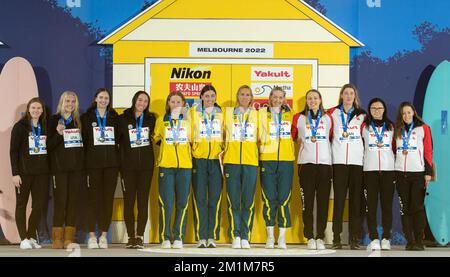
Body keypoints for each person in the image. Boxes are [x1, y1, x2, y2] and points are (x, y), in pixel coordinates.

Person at [292, 89, 332, 250]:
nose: (312, 101)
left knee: (323, 202)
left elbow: (331, 138)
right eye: (309, 98)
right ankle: (309, 236)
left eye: (315, 98)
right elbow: (293, 137)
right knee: (307, 202)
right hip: (306, 165)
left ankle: (320, 237)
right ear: (306, 101)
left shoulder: (328, 118)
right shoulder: (299, 118)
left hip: (324, 165)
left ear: (320, 100)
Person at [327, 84, 366, 249]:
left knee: (356, 202)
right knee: (339, 201)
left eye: (352, 93)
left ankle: (354, 238)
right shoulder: (331, 113)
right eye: (346, 93)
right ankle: (337, 237)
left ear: (355, 96)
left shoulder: (363, 115)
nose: (349, 96)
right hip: (339, 163)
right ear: (341, 95)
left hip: (357, 163)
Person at [81, 88, 120, 249]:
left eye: (106, 98)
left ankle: (103, 235)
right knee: (92, 200)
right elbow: (83, 141)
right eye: (101, 97)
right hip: (93, 165)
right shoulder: (86, 117)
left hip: (111, 165)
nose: (104, 100)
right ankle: (91, 236)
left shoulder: (114, 117)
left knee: (107, 200)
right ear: (95, 99)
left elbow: (120, 140)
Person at [10, 97, 49, 249]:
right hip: (23, 174)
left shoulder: (44, 125)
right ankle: (23, 238)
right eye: (33, 108)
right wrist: (15, 173)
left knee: (38, 205)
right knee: (21, 204)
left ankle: (31, 235)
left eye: (39, 108)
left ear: (42, 110)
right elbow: (13, 152)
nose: (36, 111)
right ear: (28, 109)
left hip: (41, 173)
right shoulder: (20, 127)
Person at [154, 92, 192, 249]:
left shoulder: (189, 121)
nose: (176, 104)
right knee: (166, 203)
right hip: (166, 167)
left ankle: (179, 237)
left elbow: (193, 139)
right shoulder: (161, 120)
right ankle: (165, 237)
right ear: (168, 103)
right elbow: (156, 138)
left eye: (179, 101)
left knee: (182, 203)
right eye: (172, 101)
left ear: (183, 104)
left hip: (185, 166)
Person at [118, 91, 156, 249]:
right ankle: (130, 236)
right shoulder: (122, 118)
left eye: (145, 101)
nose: (142, 103)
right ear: (134, 100)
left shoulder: (151, 119)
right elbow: (118, 142)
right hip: (127, 168)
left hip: (146, 168)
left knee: (142, 202)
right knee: (128, 202)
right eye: (140, 100)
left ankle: (139, 236)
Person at [259, 87, 295, 249]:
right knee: (268, 198)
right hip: (267, 159)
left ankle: (282, 237)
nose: (277, 100)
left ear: (284, 99)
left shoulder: (291, 114)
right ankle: (270, 237)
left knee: (284, 198)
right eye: (275, 97)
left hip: (286, 160)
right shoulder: (260, 114)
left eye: (281, 97)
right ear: (270, 97)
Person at [394, 102, 433, 251]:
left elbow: (428, 151)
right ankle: (409, 240)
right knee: (405, 208)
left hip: (417, 174)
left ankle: (418, 240)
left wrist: (428, 172)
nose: (406, 116)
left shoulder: (423, 128)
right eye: (403, 113)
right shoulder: (397, 129)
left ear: (414, 112)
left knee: (417, 207)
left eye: (409, 112)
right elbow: (393, 150)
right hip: (400, 174)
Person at [47, 91, 84, 249]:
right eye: (67, 101)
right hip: (59, 169)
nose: (70, 104)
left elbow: (84, 146)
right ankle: (57, 238)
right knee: (60, 202)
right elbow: (47, 146)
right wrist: (58, 133)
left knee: (72, 202)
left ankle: (69, 238)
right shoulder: (53, 120)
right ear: (62, 102)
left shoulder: (78, 121)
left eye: (73, 101)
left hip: (76, 170)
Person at [223, 85, 259, 249]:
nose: (244, 97)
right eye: (242, 94)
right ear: (237, 96)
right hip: (231, 161)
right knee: (233, 200)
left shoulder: (258, 116)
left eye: (247, 95)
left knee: (248, 201)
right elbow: (219, 134)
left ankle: (246, 235)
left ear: (251, 98)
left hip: (250, 162)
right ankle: (235, 235)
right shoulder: (227, 114)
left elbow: (263, 138)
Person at [191, 85, 224, 248]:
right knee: (200, 199)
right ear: (201, 97)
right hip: (199, 160)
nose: (209, 99)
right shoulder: (193, 113)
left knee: (215, 199)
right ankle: (201, 236)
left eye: (212, 96)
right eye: (206, 96)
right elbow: (187, 134)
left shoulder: (222, 115)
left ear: (216, 97)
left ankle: (212, 236)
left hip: (216, 161)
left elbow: (227, 134)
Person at [361, 98, 395, 251]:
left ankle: (386, 237)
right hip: (370, 171)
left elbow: (395, 147)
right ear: (369, 110)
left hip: (388, 170)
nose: (376, 111)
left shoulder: (392, 127)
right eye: (373, 108)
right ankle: (374, 237)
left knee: (387, 205)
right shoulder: (364, 127)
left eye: (379, 108)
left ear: (384, 110)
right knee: (371, 206)